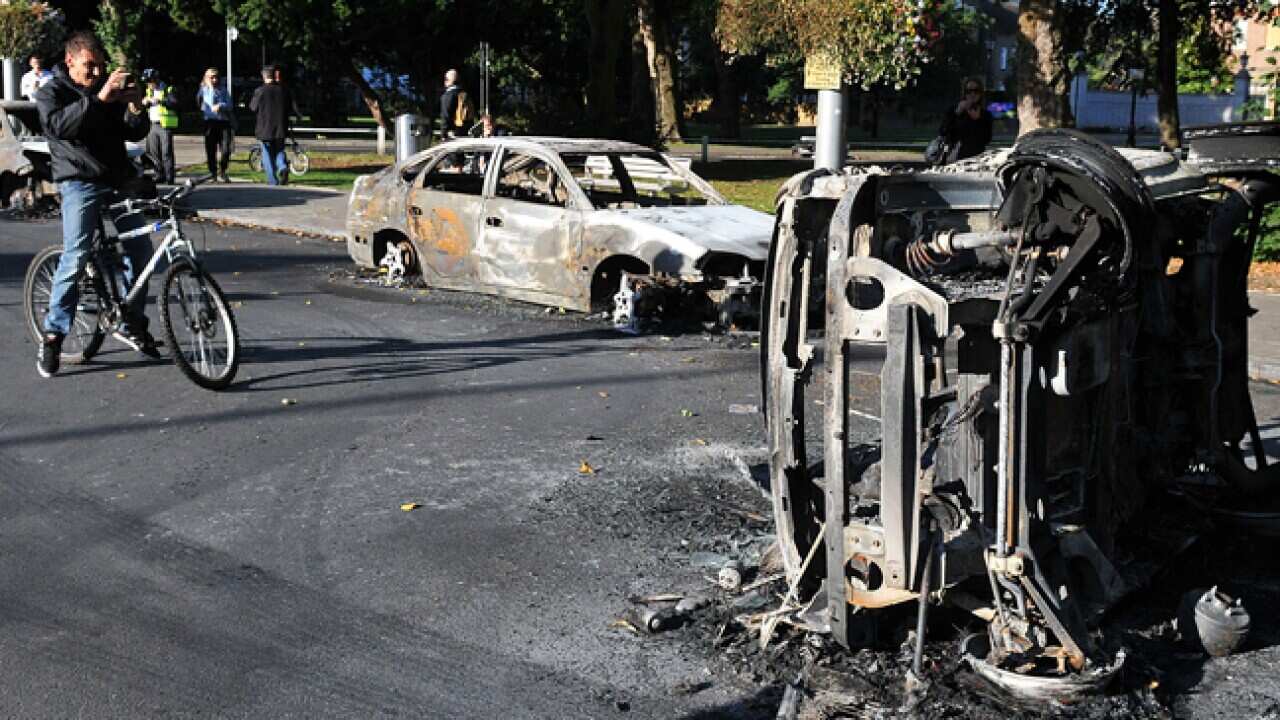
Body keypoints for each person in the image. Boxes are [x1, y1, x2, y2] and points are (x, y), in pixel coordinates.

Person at [34, 31, 159, 378]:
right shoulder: (51, 92)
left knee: (141, 250)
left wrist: (135, 106)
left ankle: (133, 320)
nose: (96, 72)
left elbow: (132, 132)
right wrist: (101, 99)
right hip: (78, 182)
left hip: (116, 180)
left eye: (100, 66)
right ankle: (53, 334)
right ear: (70, 60)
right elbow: (60, 126)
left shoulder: (106, 87)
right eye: (90, 66)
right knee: (75, 255)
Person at [250, 64, 291, 185]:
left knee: (267, 154)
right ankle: (283, 167)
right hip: (280, 128)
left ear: (264, 76)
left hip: (265, 128)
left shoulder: (260, 91)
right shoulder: (283, 90)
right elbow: (289, 107)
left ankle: (272, 179)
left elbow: (253, 107)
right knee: (279, 150)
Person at [939, 77, 993, 164]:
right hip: (953, 158)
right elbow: (943, 132)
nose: (972, 94)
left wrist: (977, 120)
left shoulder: (985, 115)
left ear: (981, 94)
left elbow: (986, 139)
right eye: (969, 91)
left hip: (976, 159)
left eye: (976, 91)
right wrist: (956, 114)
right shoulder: (954, 110)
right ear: (964, 93)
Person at [197, 67, 234, 182]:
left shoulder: (223, 90)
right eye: (211, 77)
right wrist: (211, 89)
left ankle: (222, 170)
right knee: (210, 149)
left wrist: (221, 105)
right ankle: (212, 172)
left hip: (223, 122)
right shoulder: (203, 90)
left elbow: (230, 105)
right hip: (210, 123)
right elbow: (201, 104)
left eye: (216, 77)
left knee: (226, 149)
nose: (214, 80)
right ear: (206, 78)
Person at [141, 69, 177, 183]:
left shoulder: (167, 89)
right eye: (146, 82)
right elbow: (146, 105)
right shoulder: (149, 91)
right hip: (152, 124)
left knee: (166, 152)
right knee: (153, 152)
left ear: (156, 79)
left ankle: (169, 176)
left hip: (164, 125)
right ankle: (159, 174)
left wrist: (161, 101)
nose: (148, 84)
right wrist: (144, 102)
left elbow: (174, 103)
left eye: (150, 81)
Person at [439, 69, 465, 140]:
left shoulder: (448, 95)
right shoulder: (464, 94)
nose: (444, 81)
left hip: (453, 136)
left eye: (446, 79)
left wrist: (443, 135)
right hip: (466, 133)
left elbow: (446, 116)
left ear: (450, 81)